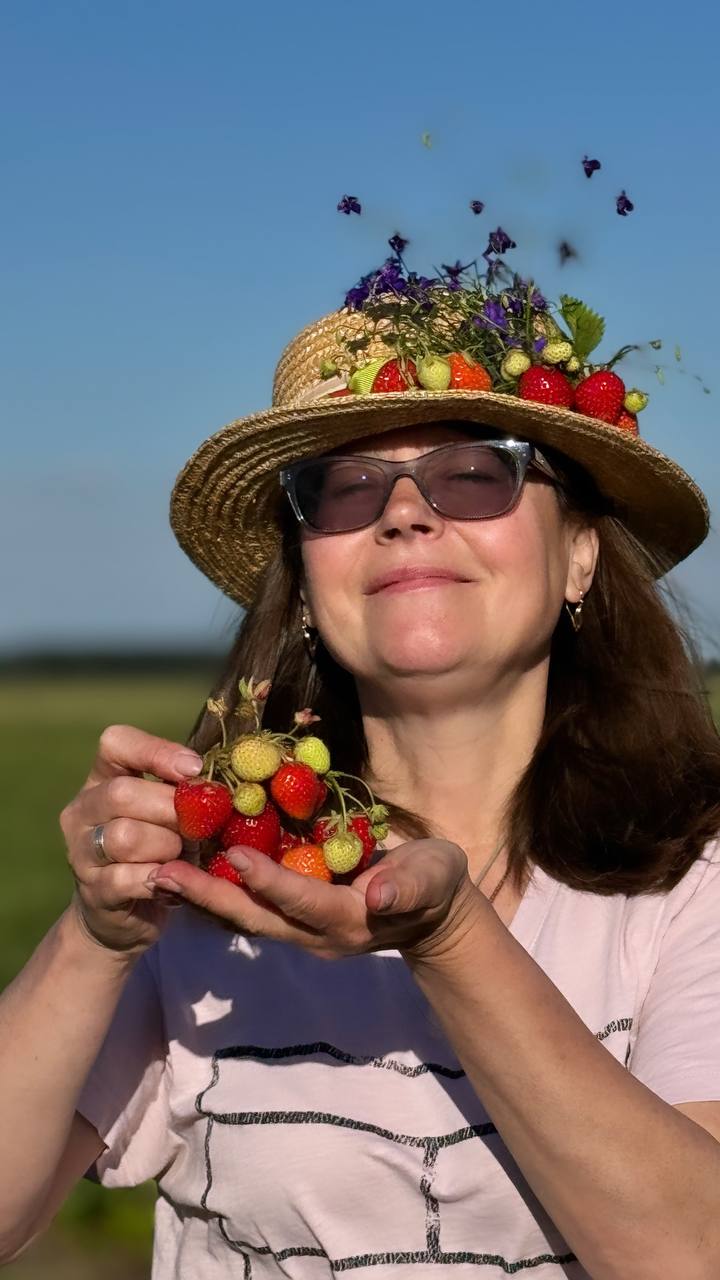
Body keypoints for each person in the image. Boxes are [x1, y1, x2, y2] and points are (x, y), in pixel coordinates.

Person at [1, 262, 720, 1280]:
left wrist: (450, 936)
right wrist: (99, 933)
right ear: (303, 581)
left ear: (580, 558)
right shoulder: (217, 873)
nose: (405, 513)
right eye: (343, 488)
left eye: (478, 470)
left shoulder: (695, 882)